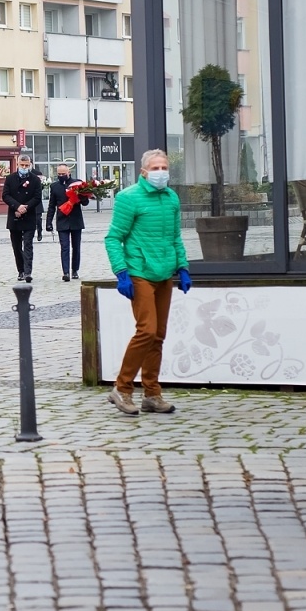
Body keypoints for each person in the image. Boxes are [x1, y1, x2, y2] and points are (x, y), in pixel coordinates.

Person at [105, 149, 191, 416]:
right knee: (147, 330)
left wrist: (183, 267)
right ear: (143, 172)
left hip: (164, 273)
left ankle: (152, 394)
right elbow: (113, 238)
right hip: (139, 271)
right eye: (155, 168)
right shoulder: (129, 197)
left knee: (158, 335)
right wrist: (122, 273)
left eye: (164, 167)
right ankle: (122, 388)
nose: (161, 172)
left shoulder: (171, 197)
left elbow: (175, 237)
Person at [3, 153, 45, 282]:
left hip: (29, 215)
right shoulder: (10, 178)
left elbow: (37, 197)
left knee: (28, 245)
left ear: (30, 165)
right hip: (14, 215)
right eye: (22, 165)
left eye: (27, 165)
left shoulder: (35, 179)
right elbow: (5, 195)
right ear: (17, 164)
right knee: (16, 246)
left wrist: (25, 207)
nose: (24, 167)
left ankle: (27, 272)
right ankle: (20, 270)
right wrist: (17, 206)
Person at [46, 164, 86, 282]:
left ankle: (75, 270)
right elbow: (51, 206)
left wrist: (82, 196)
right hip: (62, 220)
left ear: (69, 172)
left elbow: (85, 203)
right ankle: (66, 272)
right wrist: (48, 222)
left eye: (63, 174)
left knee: (76, 247)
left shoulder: (77, 184)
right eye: (59, 174)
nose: (61, 176)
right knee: (64, 247)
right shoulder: (54, 186)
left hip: (75, 220)